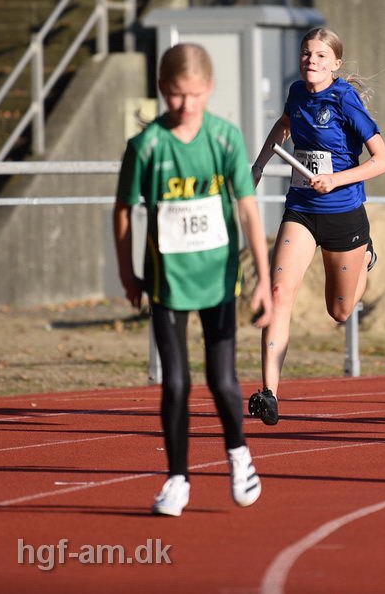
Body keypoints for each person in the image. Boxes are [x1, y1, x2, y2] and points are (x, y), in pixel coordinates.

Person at [113, 43, 273, 517]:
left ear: (210, 90)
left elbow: (247, 207)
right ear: (163, 90)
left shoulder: (224, 139)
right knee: (176, 384)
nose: (187, 105)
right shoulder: (146, 147)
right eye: (178, 95)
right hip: (167, 282)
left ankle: (239, 456)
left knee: (222, 381)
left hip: (219, 278)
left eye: (197, 95)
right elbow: (123, 210)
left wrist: (262, 279)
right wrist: (128, 272)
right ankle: (178, 479)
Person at [247, 26, 385, 426]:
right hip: (301, 209)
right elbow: (283, 125)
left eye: (321, 56)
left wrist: (336, 179)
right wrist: (257, 167)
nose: (311, 60)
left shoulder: (344, 99)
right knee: (279, 292)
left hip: (344, 213)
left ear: (336, 64)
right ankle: (269, 392)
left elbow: (383, 161)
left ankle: (364, 256)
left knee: (341, 313)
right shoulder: (296, 92)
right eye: (307, 54)